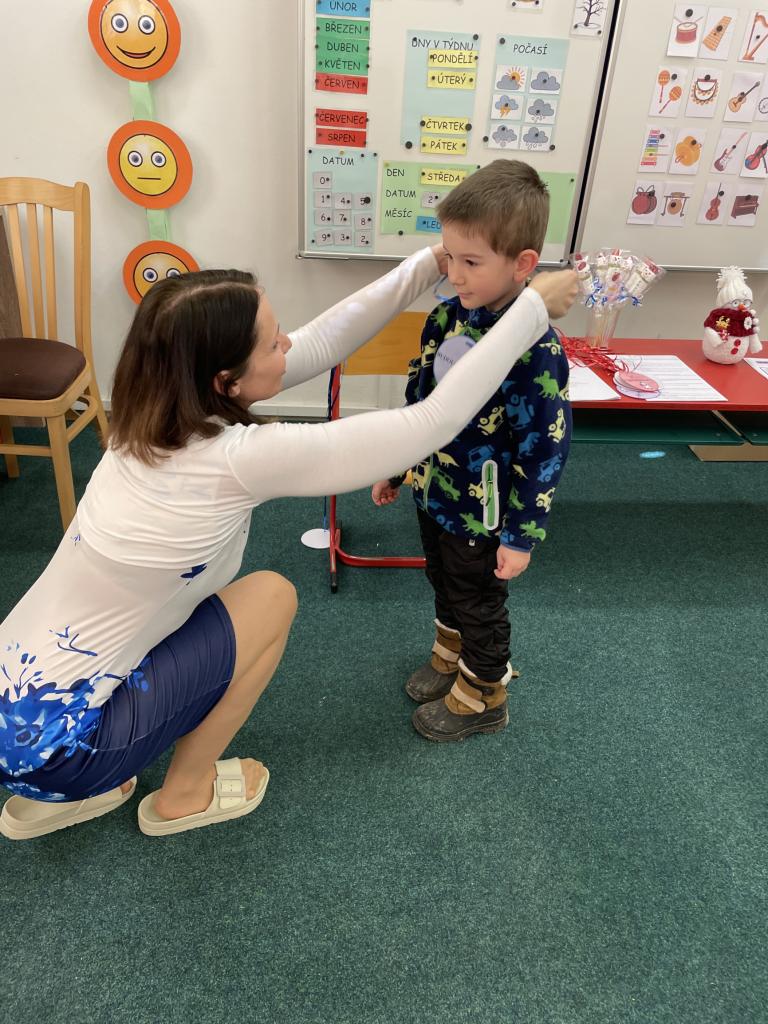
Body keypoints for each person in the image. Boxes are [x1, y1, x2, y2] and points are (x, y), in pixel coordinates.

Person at [0, 243, 576, 840]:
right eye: (273, 343)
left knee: (159, 615)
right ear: (226, 380)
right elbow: (430, 424)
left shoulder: (145, 417)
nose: (288, 346)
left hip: (12, 714)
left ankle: (84, 777)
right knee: (271, 596)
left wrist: (431, 262)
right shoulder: (236, 459)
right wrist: (531, 309)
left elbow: (321, 342)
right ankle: (182, 795)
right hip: (61, 750)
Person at [372, 161, 572, 743]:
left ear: (523, 264)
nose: (455, 274)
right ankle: (451, 653)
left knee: (478, 596)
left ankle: (484, 690)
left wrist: (522, 535)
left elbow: (546, 448)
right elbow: (419, 403)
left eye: (472, 262)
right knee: (442, 577)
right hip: (435, 490)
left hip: (484, 510)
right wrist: (395, 466)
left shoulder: (537, 348)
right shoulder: (445, 316)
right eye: (450, 257)